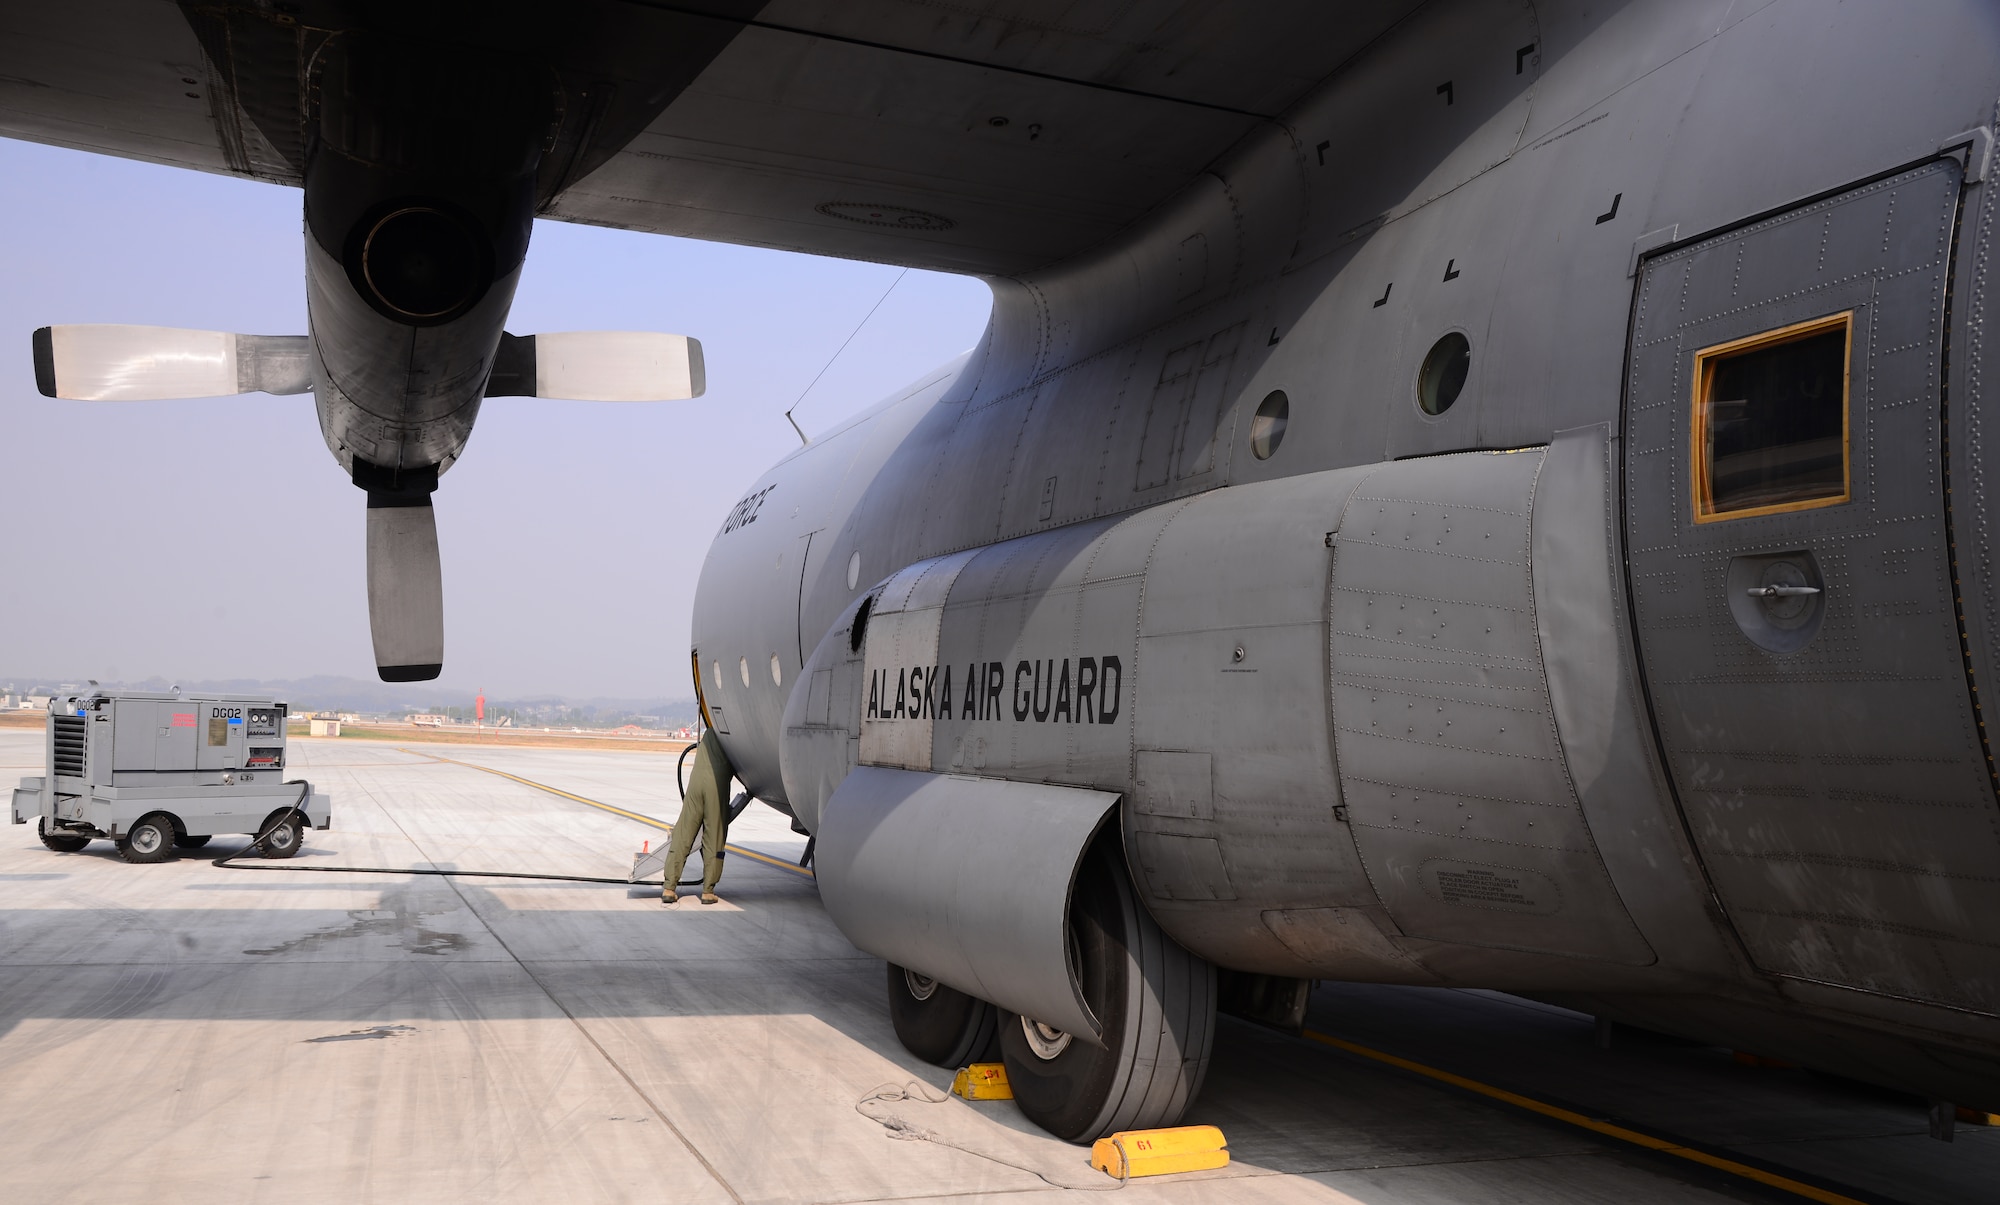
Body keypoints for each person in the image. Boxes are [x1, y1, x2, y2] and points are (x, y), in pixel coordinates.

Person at [664, 726, 734, 905]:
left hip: (696, 783)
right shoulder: (732, 732)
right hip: (715, 784)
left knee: (683, 834)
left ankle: (669, 888)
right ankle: (708, 891)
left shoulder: (709, 733)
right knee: (714, 837)